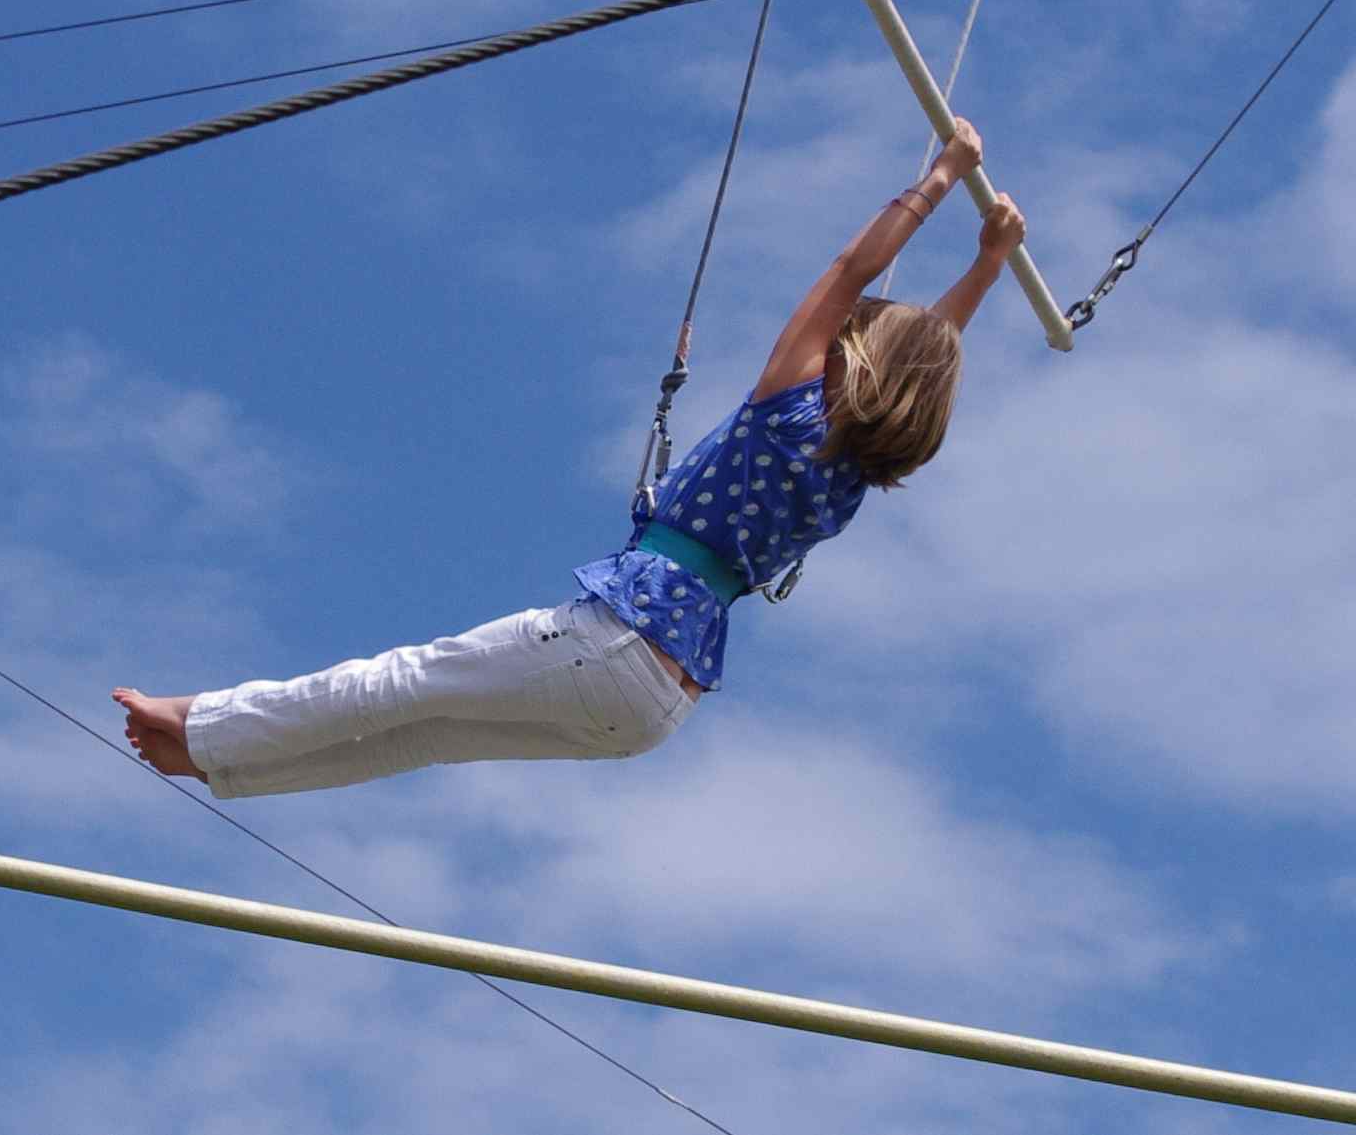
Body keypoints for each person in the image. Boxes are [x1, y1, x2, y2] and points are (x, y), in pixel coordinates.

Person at [115, 117, 1023, 798]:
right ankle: (216, 763)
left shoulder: (787, 407)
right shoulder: (847, 480)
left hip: (623, 638)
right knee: (426, 733)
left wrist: (940, 178)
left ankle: (199, 722)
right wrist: (985, 268)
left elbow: (845, 273)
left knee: (407, 681)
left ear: (851, 358)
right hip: (659, 707)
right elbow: (922, 360)